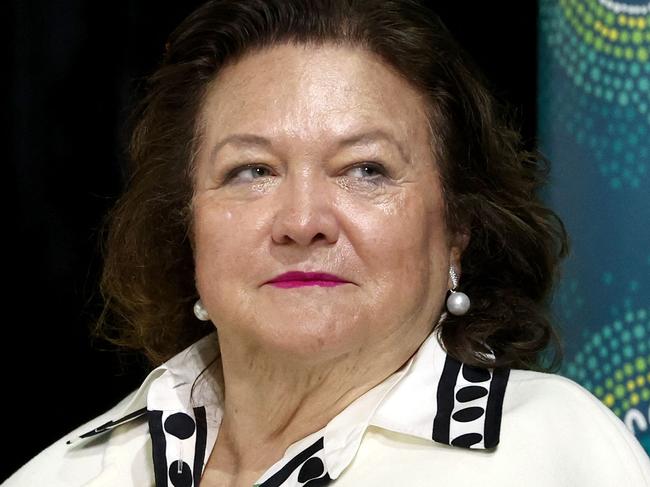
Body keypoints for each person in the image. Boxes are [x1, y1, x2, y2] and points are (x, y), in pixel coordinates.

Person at [5, 0, 650, 486]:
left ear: (457, 230)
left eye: (365, 170)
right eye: (251, 171)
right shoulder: (63, 474)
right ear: (187, 225)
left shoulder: (554, 452)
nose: (303, 220)